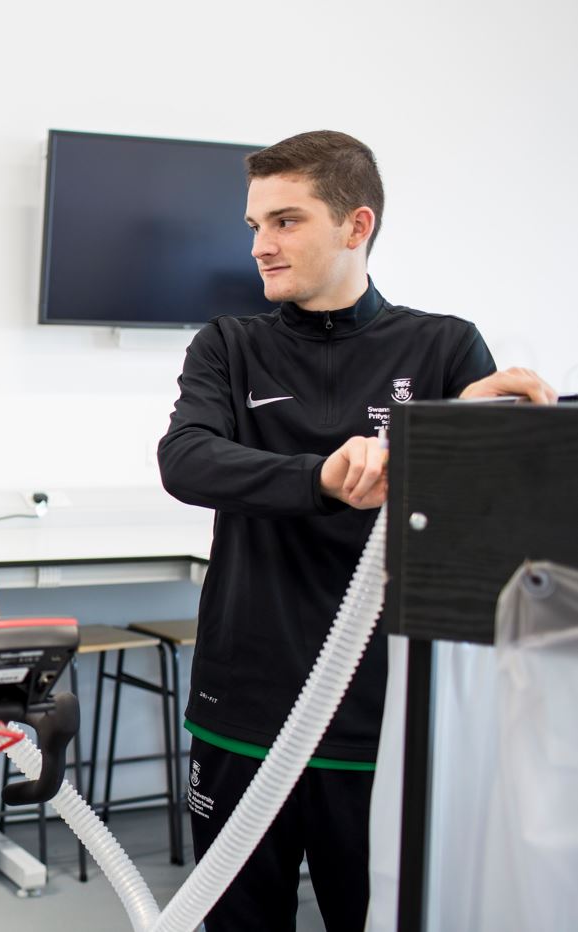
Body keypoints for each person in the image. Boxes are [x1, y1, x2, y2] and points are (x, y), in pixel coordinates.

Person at [157, 130, 556, 931]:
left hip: (381, 712)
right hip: (245, 702)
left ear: (355, 224)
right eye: (253, 225)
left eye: (285, 221)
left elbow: (482, 516)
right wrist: (320, 478)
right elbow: (187, 461)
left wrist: (502, 440)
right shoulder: (229, 346)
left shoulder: (441, 345)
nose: (260, 245)